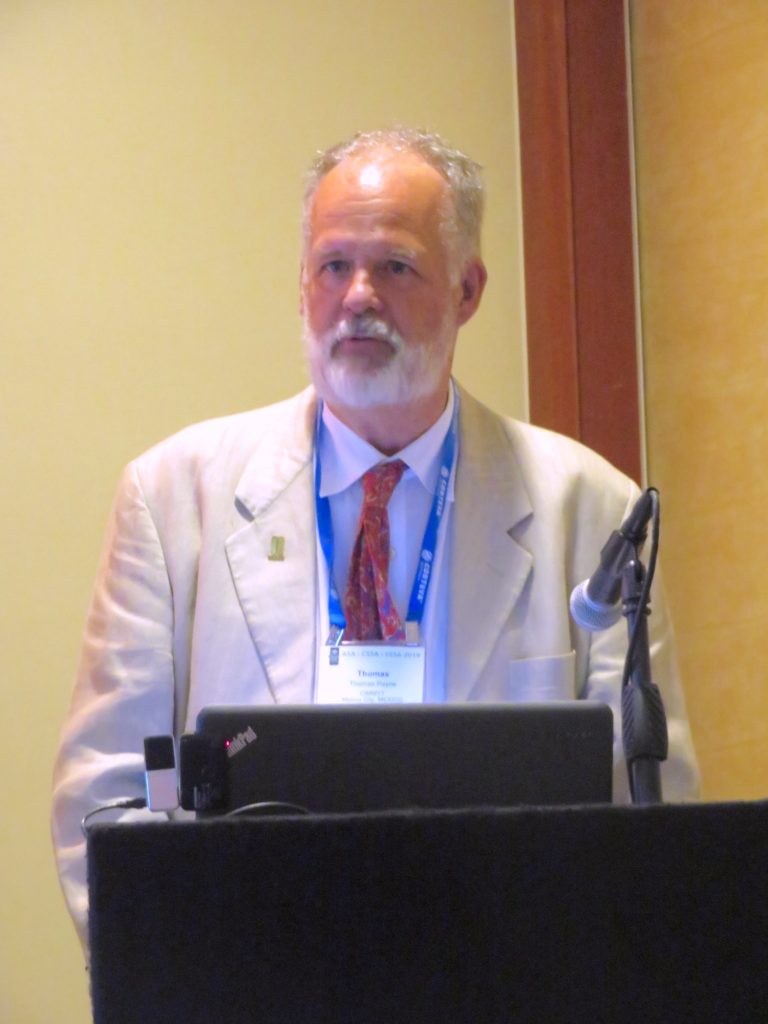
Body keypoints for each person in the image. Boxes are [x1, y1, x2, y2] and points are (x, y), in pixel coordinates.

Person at [52, 127, 699, 952]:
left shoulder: (589, 509)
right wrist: (193, 984)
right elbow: (99, 804)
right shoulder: (172, 497)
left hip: (508, 985)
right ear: (301, 288)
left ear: (467, 290)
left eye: (395, 266)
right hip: (249, 985)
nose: (358, 295)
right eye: (332, 266)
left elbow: (655, 816)